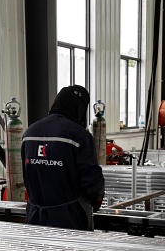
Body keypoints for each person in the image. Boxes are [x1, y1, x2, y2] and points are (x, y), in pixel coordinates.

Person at [21, 85, 105, 230]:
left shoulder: (29, 133)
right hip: (69, 219)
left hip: (34, 217)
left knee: (36, 246)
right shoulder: (79, 136)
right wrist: (96, 202)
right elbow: (92, 182)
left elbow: (27, 176)